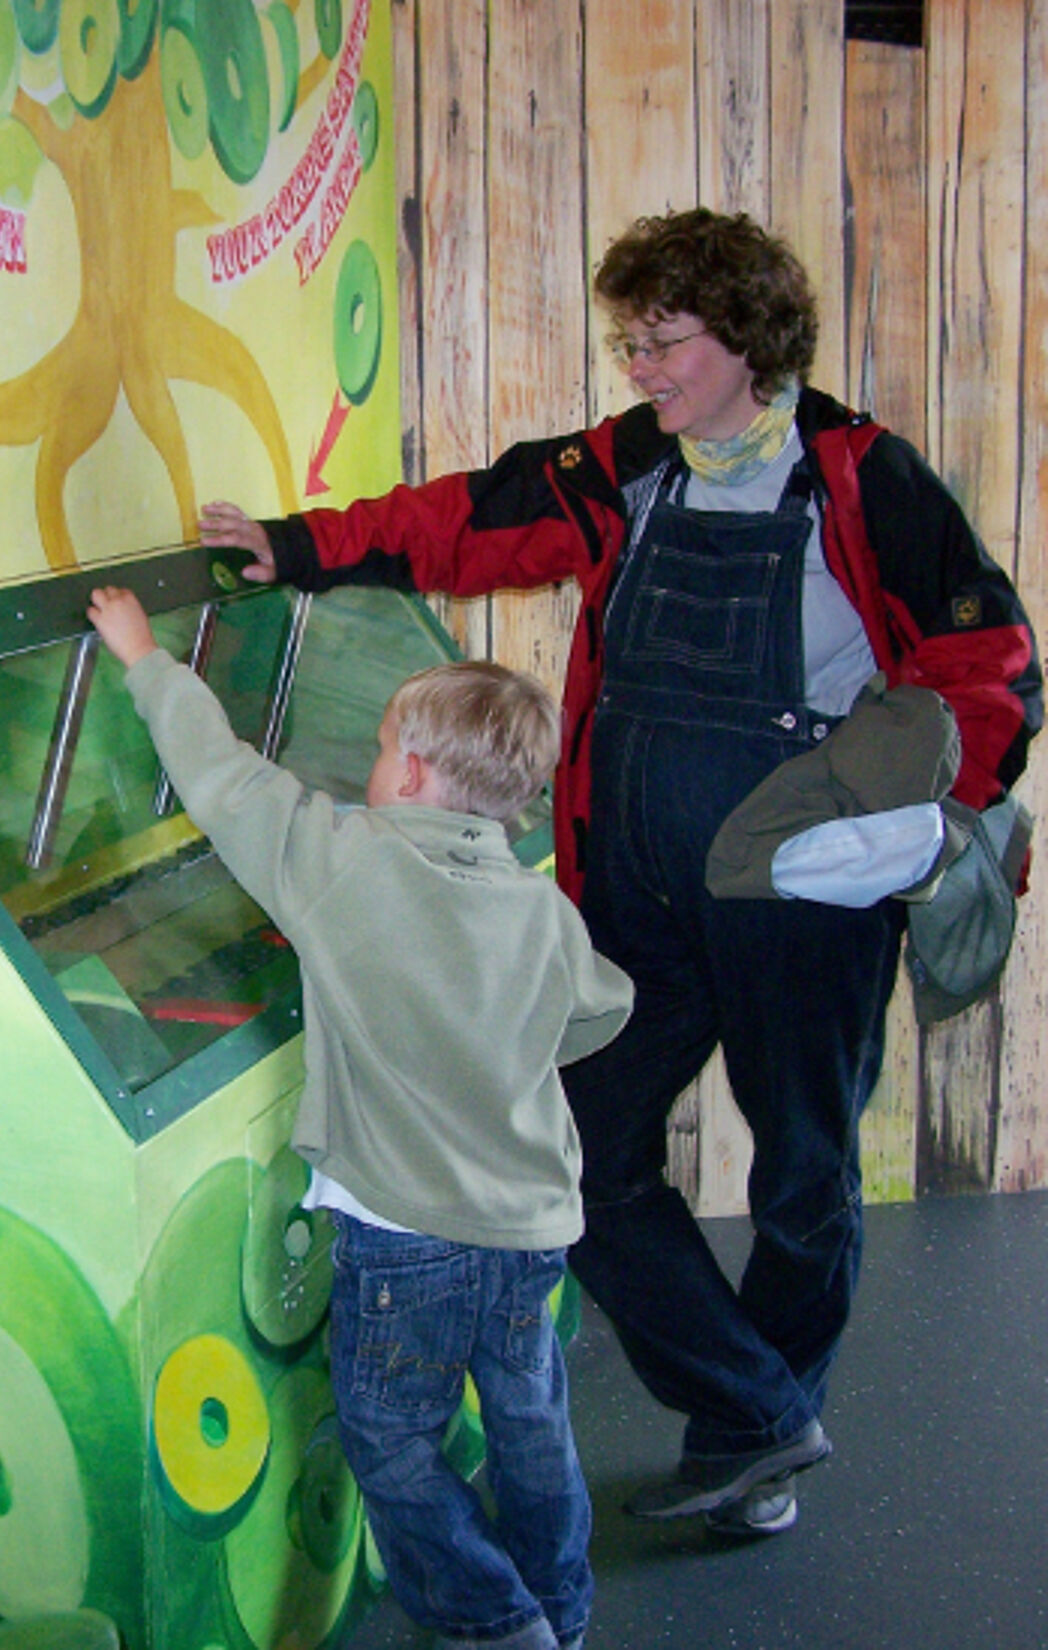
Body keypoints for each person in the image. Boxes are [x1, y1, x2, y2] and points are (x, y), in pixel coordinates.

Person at [199, 207, 1042, 1537]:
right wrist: (297, 545)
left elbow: (991, 662)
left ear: (748, 340)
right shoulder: (622, 467)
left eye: (665, 343)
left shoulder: (865, 477)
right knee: (583, 1154)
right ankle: (760, 1411)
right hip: (635, 895)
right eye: (630, 344)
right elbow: (467, 519)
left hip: (803, 904)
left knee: (803, 1181)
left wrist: (938, 817)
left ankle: (753, 1446)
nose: (640, 369)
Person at [88, 583, 634, 1650]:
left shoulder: (343, 862)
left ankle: (494, 1621)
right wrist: (498, 1057)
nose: (374, 766)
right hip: (530, 1229)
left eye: (383, 748)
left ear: (412, 775)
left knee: (389, 1439)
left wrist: (146, 658)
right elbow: (600, 1007)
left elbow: (225, 779)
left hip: (404, 1235)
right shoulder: (538, 903)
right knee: (533, 1426)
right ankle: (561, 1611)